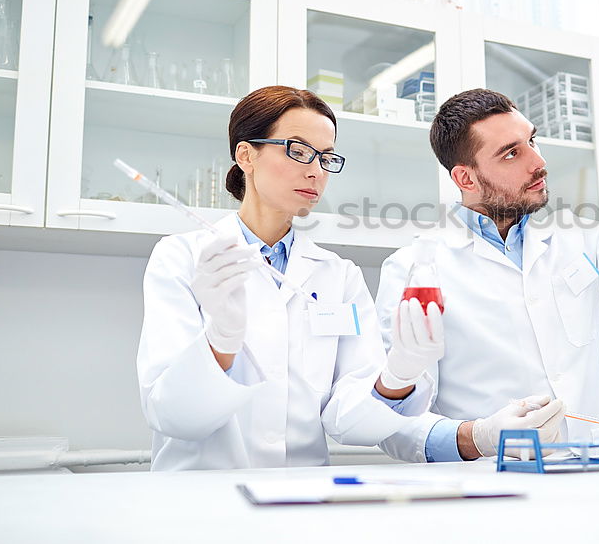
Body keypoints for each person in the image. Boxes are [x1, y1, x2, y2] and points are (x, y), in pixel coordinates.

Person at [376, 43, 599, 462]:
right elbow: (395, 427)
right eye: (512, 153)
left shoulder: (578, 242)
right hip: (488, 492)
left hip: (589, 480)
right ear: (465, 178)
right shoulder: (415, 268)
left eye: (532, 141)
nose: (538, 161)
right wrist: (481, 435)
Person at [137, 86, 441, 470]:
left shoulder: (339, 275)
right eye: (298, 150)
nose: (315, 170)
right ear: (246, 154)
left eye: (326, 158)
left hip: (302, 502)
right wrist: (220, 344)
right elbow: (172, 416)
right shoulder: (181, 258)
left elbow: (349, 424)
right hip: (203, 503)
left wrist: (399, 374)